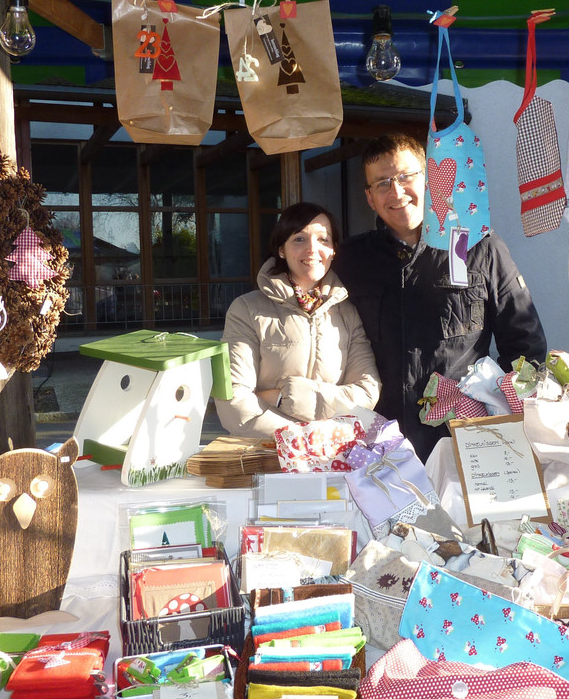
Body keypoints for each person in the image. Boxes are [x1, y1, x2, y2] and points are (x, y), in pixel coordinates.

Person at [332, 133, 547, 460]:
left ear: (430, 181)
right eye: (382, 183)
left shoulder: (479, 247)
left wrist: (504, 416)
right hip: (377, 444)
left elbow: (526, 346)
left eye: (406, 177)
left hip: (465, 441)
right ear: (370, 198)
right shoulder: (350, 260)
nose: (396, 192)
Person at [215, 202, 381, 438]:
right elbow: (233, 401)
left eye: (323, 239)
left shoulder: (348, 313)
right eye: (299, 239)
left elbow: (366, 392)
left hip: (330, 450)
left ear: (333, 250)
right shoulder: (246, 309)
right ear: (281, 249)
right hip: (265, 450)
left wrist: (285, 397)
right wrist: (303, 437)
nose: (312, 249)